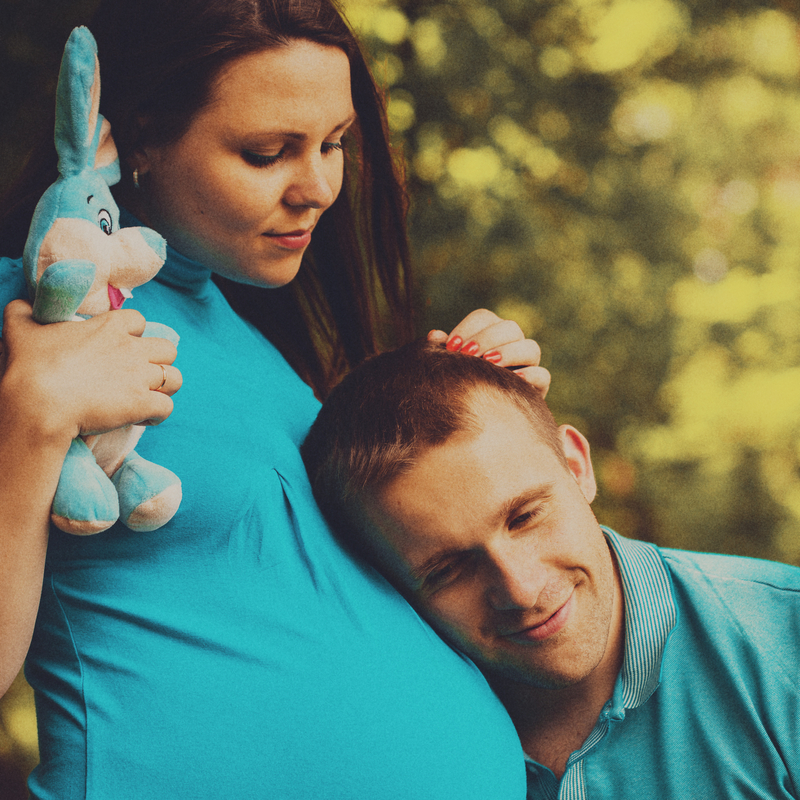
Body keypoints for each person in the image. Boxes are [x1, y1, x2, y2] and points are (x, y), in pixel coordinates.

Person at [0, 1, 552, 796]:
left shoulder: (257, 345)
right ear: (140, 140)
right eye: (268, 153)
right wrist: (31, 418)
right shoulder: (31, 316)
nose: (318, 187)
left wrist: (483, 417)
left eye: (334, 143)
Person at [302, 338, 800, 800]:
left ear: (577, 466)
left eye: (525, 517)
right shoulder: (385, 742)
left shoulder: (783, 643)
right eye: (449, 570)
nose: (520, 589)